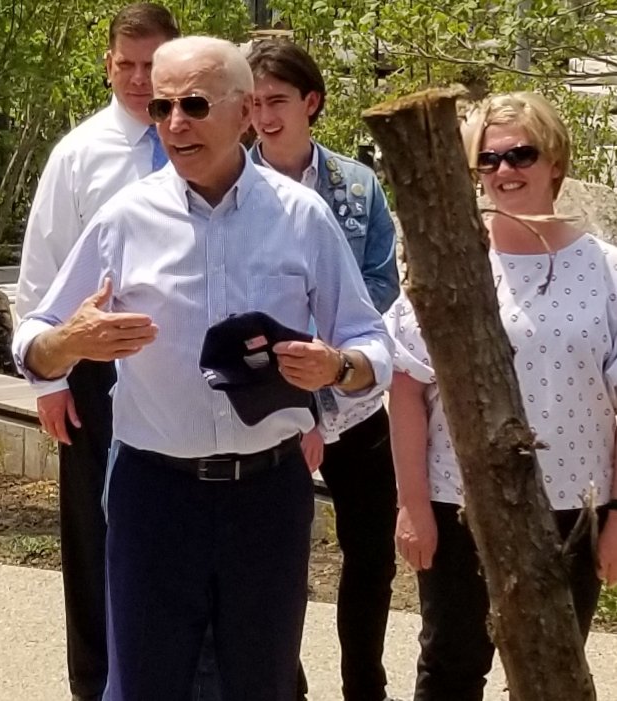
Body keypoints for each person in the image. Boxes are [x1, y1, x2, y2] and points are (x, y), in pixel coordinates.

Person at [12, 35, 393, 701]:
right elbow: (33, 338)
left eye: (193, 104)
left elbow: (372, 346)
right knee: (143, 685)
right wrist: (67, 343)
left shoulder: (302, 217)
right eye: (162, 107)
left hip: (267, 495)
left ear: (245, 112)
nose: (174, 123)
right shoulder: (125, 219)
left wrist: (337, 365)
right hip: (153, 493)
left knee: (263, 683)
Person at [385, 91, 617, 701]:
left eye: (521, 155)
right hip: (457, 502)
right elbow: (406, 385)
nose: (505, 171)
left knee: (551, 671)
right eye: (488, 161)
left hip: (573, 508)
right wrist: (410, 505)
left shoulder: (607, 270)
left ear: (555, 162)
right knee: (451, 666)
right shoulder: (447, 267)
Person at [14, 6, 179, 700]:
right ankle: (96, 682)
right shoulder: (79, 154)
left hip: (187, 368)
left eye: (153, 65)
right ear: (108, 65)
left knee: (183, 535)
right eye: (128, 64)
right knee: (95, 534)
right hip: (96, 369)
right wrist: (47, 384)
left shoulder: (211, 141)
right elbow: (40, 271)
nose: (140, 80)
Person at [247, 39, 400, 701]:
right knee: (277, 560)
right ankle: (289, 684)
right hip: (271, 406)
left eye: (276, 100)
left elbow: (381, 286)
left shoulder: (358, 187)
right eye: (250, 103)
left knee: (372, 554)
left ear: (310, 102)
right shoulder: (232, 191)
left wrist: (330, 360)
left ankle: (364, 681)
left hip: (354, 398)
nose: (263, 116)